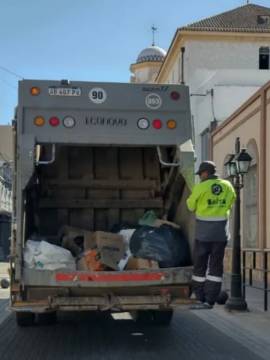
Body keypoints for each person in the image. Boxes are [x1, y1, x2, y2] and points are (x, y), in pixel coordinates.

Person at [186, 161, 236, 309]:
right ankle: (210, 300)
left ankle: (200, 298)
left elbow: (190, 206)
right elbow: (230, 203)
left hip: (203, 235)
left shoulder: (200, 187)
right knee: (215, 268)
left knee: (200, 267)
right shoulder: (228, 186)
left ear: (206, 173)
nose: (200, 177)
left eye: (200, 174)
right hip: (221, 235)